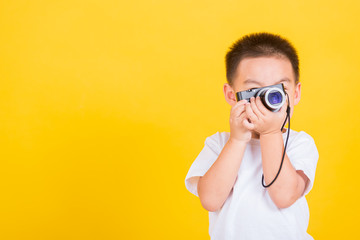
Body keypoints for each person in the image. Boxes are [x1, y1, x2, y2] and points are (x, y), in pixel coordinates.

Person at [184, 32, 319, 240]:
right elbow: (210, 200)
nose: (267, 101)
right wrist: (237, 140)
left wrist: (271, 132)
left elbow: (284, 196)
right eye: (255, 91)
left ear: (295, 94)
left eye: (278, 91)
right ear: (232, 95)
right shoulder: (218, 144)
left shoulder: (299, 143)